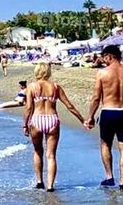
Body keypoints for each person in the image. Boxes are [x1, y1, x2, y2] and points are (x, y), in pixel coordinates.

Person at [23, 63, 85, 190]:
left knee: (38, 151)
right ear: (48, 72)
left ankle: (39, 182)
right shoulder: (56, 87)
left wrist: (25, 124)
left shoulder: (32, 87)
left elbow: (29, 108)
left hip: (37, 119)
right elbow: (69, 106)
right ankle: (50, 186)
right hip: (52, 119)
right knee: (51, 155)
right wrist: (82, 120)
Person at [85, 44, 123, 187]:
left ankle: (109, 177)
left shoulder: (102, 73)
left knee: (105, 144)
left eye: (104, 57)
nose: (103, 60)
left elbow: (96, 98)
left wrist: (90, 117)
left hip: (109, 112)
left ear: (109, 56)